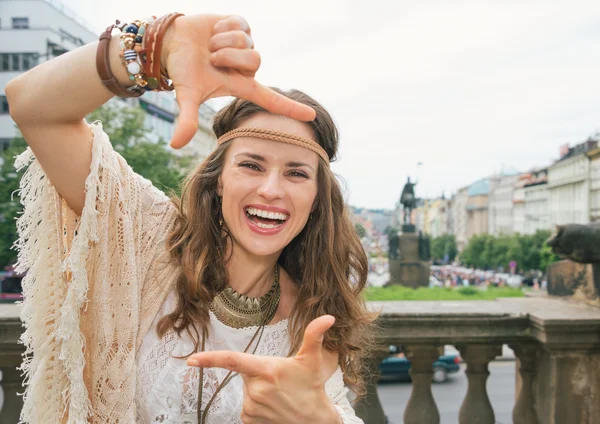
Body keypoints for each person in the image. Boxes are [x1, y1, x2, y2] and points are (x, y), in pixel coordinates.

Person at [7, 13, 374, 424]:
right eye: (251, 165)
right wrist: (155, 48)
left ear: (316, 199)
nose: (272, 189)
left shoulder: (314, 319)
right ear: (219, 181)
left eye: (296, 173)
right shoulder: (144, 233)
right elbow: (33, 106)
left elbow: (334, 410)